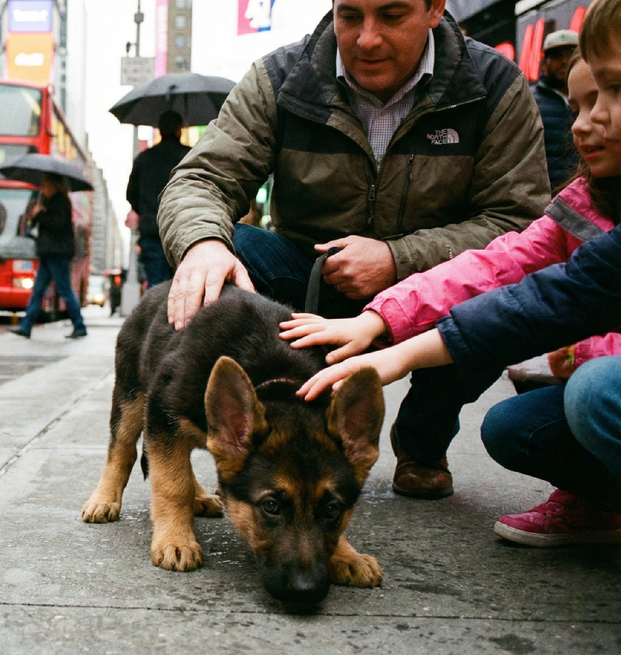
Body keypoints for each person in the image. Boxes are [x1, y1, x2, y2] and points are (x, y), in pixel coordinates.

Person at [297, 0, 621, 546]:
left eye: (612, 91)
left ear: (433, 11)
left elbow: (540, 298)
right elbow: (496, 266)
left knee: (595, 391)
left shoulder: (493, 80)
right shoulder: (583, 202)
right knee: (512, 427)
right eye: (579, 102)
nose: (586, 123)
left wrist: (395, 345)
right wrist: (378, 321)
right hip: (408, 294)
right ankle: (601, 500)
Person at [158, 0, 550, 331]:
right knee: (230, 253)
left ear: (435, 8)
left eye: (392, 16)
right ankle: (275, 405)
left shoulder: (494, 84)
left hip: (437, 286)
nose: (367, 39)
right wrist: (203, 244)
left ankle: (424, 423)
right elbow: (201, 178)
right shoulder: (279, 78)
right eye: (349, 16)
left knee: (497, 293)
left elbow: (517, 223)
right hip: (311, 279)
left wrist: (397, 259)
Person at [10, 173, 87, 339]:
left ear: (54, 186)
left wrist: (42, 214)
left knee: (64, 289)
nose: (43, 189)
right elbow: (33, 226)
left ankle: (79, 325)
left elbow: (57, 225)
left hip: (57, 253)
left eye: (46, 186)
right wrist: (35, 214)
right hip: (47, 252)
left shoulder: (61, 202)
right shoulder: (46, 202)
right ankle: (26, 327)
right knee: (37, 291)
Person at [126, 110, 192, 287]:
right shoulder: (190, 156)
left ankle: (157, 315)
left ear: (160, 130)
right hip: (183, 229)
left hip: (152, 230)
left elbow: (131, 194)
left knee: (156, 287)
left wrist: (146, 211)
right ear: (180, 129)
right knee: (184, 286)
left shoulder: (144, 158)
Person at [533, 30, 580, 190]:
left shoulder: (596, 96)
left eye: (571, 54)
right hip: (549, 200)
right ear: (544, 63)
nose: (565, 61)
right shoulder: (529, 101)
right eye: (557, 56)